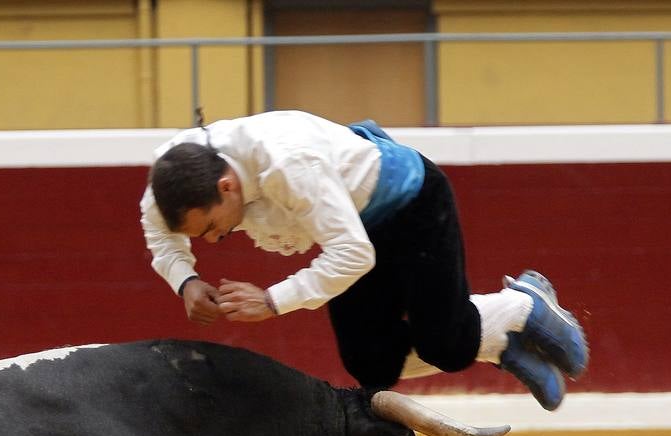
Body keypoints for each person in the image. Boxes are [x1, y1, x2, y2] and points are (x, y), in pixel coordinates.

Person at [138, 109, 587, 410]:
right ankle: (499, 343)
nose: (214, 240)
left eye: (212, 226)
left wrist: (272, 300)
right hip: (349, 220)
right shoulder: (175, 172)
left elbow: (353, 253)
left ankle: (523, 305)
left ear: (227, 187)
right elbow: (157, 227)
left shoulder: (289, 164)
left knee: (446, 345)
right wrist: (185, 280)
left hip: (412, 203)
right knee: (371, 364)